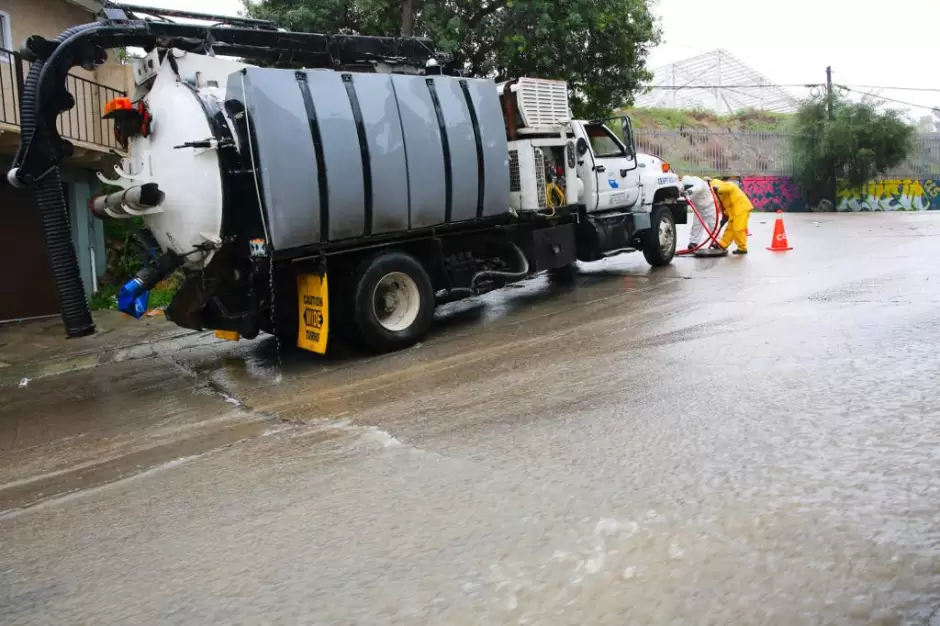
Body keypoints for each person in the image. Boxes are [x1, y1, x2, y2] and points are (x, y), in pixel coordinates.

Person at [711, 177, 754, 255]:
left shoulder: (727, 185)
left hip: (742, 208)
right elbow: (724, 207)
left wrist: (718, 189)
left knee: (738, 229)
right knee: (729, 230)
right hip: (733, 212)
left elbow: (729, 187)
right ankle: (722, 245)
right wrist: (724, 218)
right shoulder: (720, 196)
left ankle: (742, 248)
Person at [681, 175, 720, 250]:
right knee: (696, 226)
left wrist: (688, 191)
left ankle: (717, 242)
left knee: (713, 225)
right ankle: (693, 242)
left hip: (709, 208)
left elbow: (696, 188)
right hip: (698, 209)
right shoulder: (686, 186)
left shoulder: (701, 183)